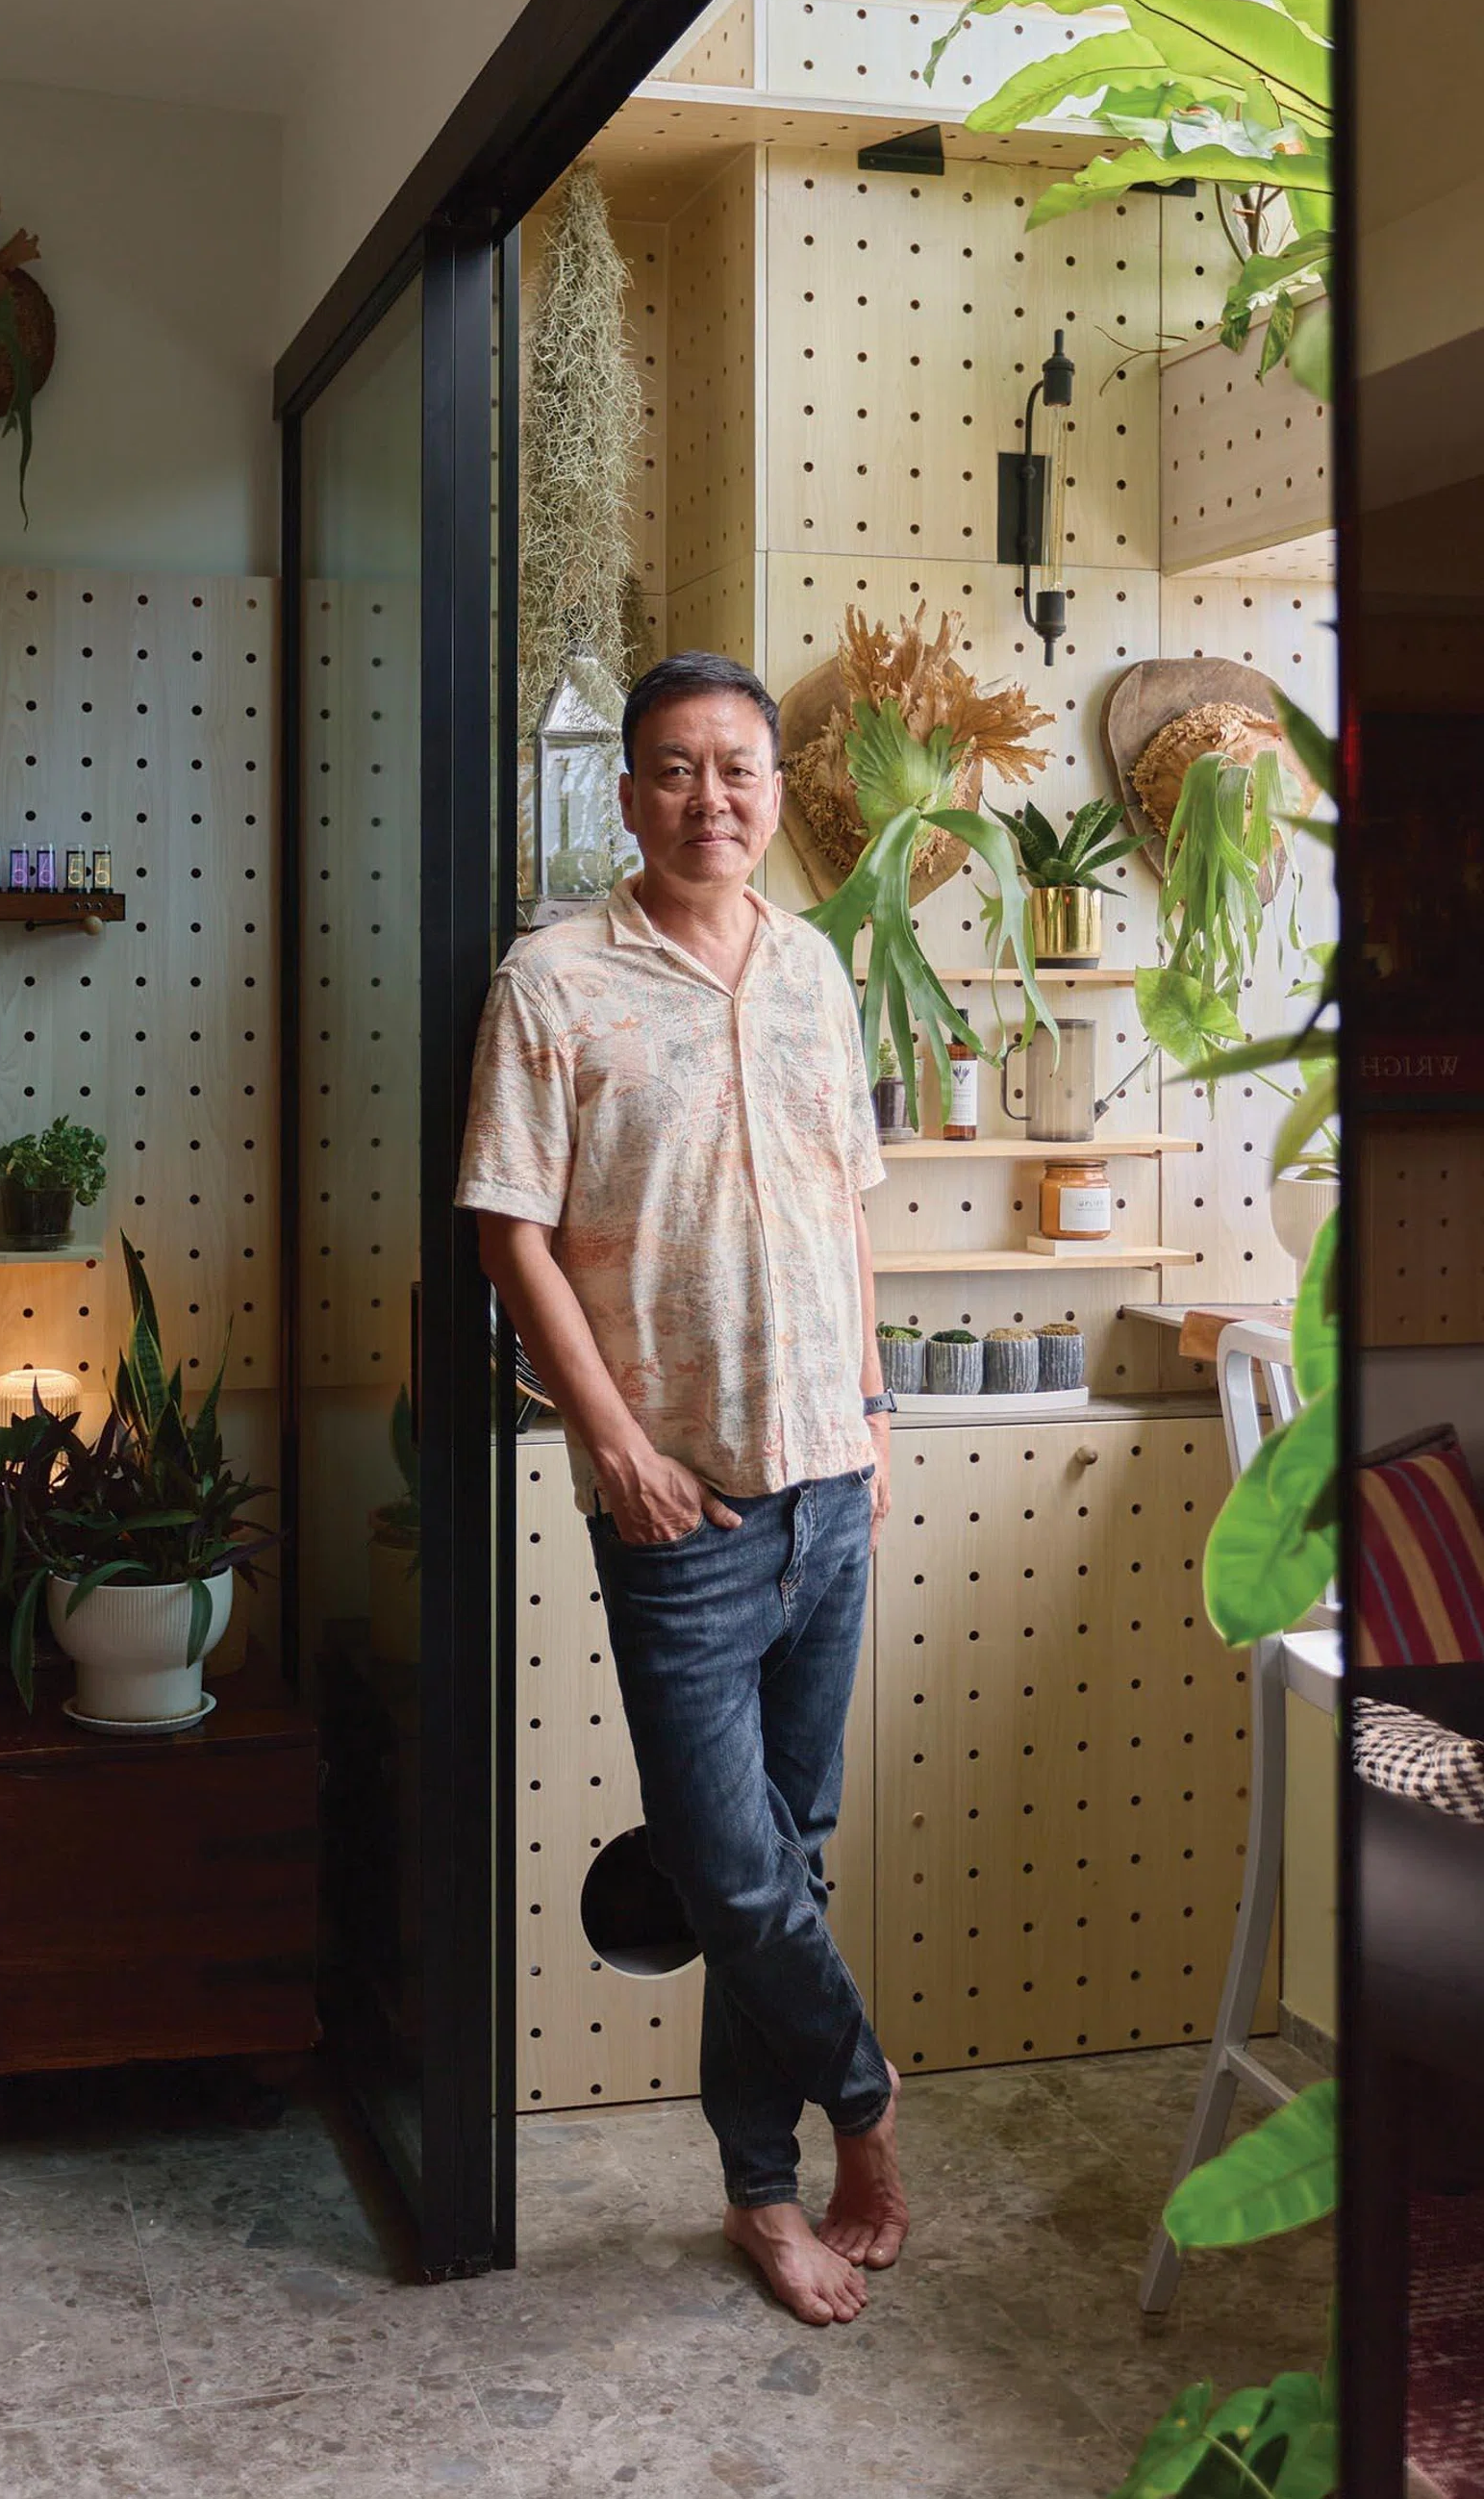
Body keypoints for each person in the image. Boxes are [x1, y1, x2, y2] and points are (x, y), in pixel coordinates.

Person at [455, 649, 908, 2327]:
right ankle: (863, 2112)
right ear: (625, 790)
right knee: (731, 1870)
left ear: (774, 791)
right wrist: (623, 1454)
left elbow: (846, 1201)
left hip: (834, 1486)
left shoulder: (815, 971)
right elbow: (512, 1231)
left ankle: (758, 2193)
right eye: (672, 769)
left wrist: (869, 1408)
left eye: (738, 770)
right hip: (683, 1508)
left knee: (789, 1854)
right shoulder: (554, 983)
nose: (708, 798)